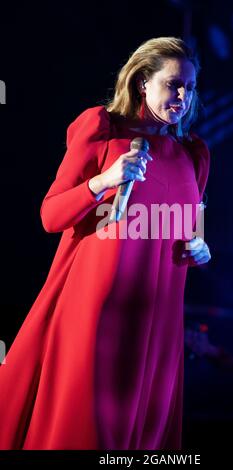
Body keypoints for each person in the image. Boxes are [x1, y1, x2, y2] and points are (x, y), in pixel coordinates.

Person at [0, 37, 211, 450]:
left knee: (145, 439)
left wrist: (201, 249)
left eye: (190, 86)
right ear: (142, 83)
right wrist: (104, 181)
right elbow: (50, 216)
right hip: (96, 317)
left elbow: (195, 230)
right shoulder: (103, 131)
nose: (183, 96)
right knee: (86, 431)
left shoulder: (194, 154)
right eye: (173, 84)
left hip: (158, 322)